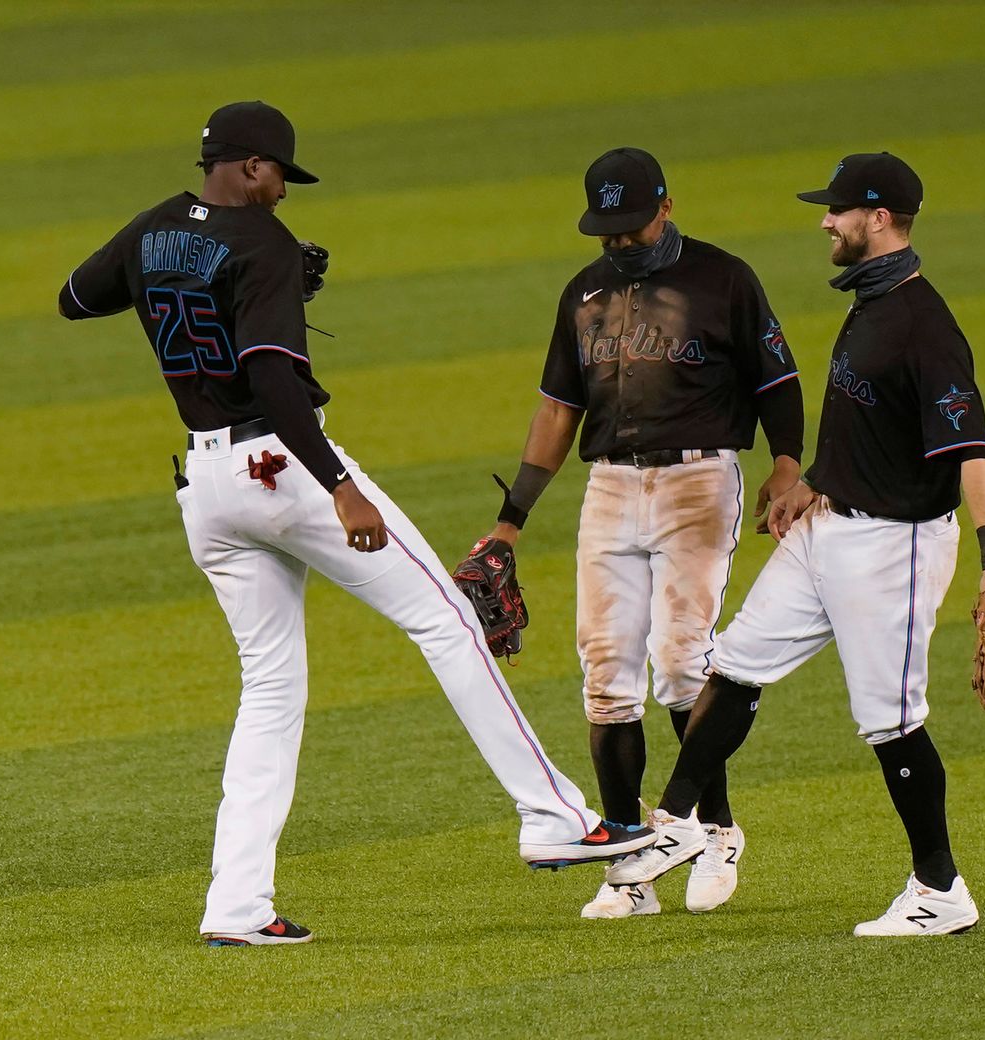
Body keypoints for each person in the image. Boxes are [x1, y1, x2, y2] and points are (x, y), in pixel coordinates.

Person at [56, 101, 652, 947]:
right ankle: (553, 815)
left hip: (206, 485)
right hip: (282, 466)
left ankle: (236, 908)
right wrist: (339, 485)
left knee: (269, 691)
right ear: (253, 167)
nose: (281, 197)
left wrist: (197, 284)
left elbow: (76, 300)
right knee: (447, 619)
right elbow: (270, 374)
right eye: (279, 179)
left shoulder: (153, 228)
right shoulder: (261, 243)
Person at [606, 152, 985, 936]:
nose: (824, 221)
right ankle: (677, 821)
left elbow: (972, 449)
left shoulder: (924, 325)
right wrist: (813, 482)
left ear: (878, 218)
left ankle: (940, 892)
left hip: (893, 548)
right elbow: (869, 423)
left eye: (837, 211)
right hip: (828, 527)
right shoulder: (872, 303)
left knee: (890, 721)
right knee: (734, 665)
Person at [481, 147, 805, 919]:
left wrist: (788, 464)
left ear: (666, 205)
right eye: (608, 232)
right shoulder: (584, 292)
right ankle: (630, 860)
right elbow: (559, 410)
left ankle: (714, 829)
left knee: (684, 660)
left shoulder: (725, 278)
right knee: (604, 673)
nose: (620, 243)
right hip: (610, 486)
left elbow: (776, 381)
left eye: (631, 227)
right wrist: (510, 520)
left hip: (699, 481)